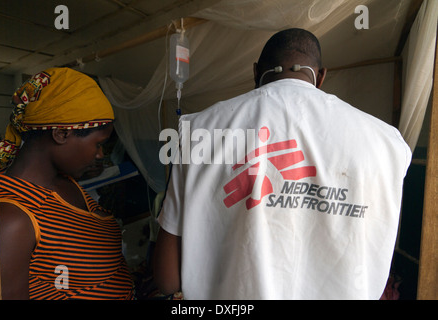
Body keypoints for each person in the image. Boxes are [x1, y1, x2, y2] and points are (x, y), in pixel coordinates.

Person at [153, 28, 412, 299]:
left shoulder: (199, 132)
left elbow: (167, 279)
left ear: (256, 72)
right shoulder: (387, 143)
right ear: (321, 77)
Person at [0, 67, 135, 300]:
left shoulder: (63, 181)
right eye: (98, 143)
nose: (100, 154)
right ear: (61, 134)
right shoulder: (11, 219)